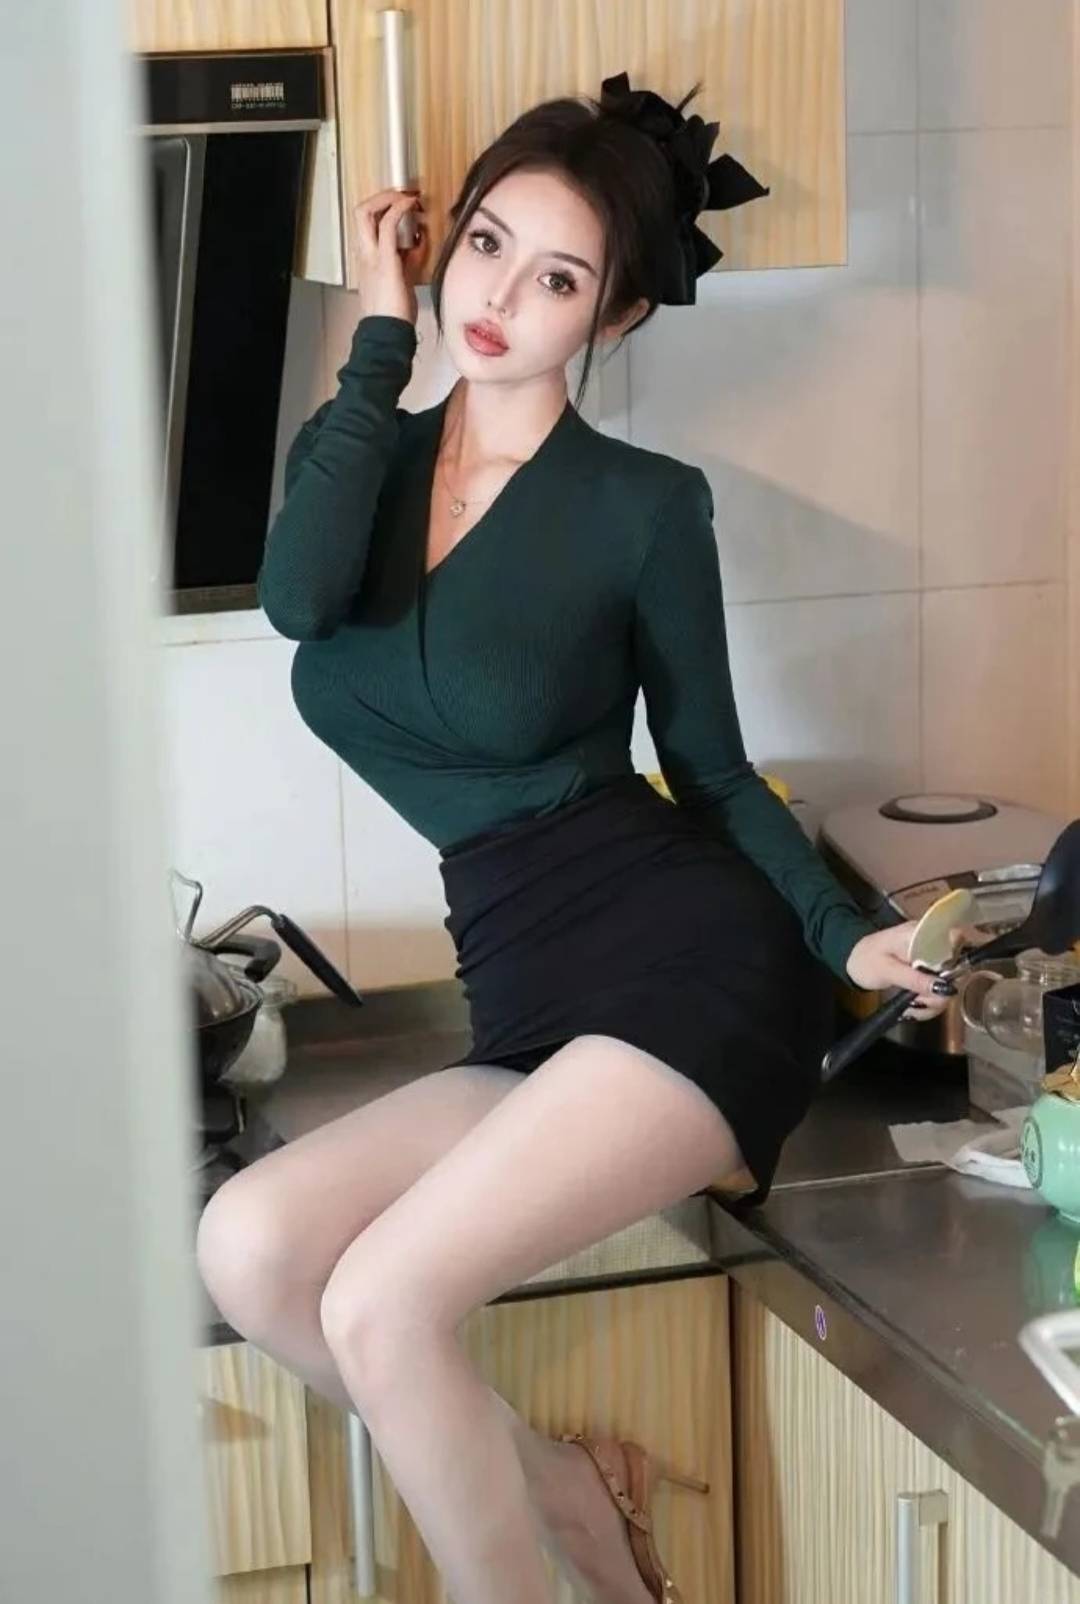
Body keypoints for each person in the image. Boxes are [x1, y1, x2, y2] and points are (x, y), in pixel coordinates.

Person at [196, 75, 953, 1604]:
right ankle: (561, 1490)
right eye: (487, 245)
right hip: (526, 983)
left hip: (686, 967)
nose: (500, 299)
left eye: (557, 279)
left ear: (614, 317)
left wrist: (845, 938)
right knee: (254, 1248)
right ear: (445, 242)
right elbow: (295, 601)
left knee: (386, 1300)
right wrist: (382, 332)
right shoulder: (359, 456)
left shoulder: (644, 507)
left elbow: (712, 773)